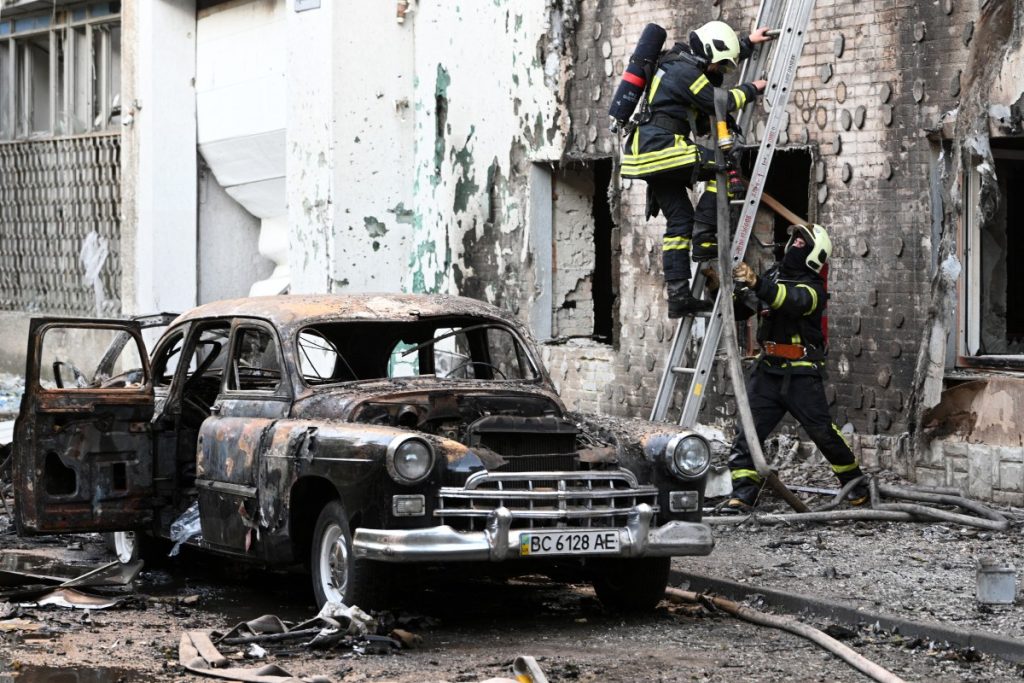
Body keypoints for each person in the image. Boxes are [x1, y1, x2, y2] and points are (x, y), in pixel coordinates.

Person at [621, 21, 773, 318]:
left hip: (645, 154)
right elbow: (721, 100)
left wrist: (747, 43)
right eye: (720, 65)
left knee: (679, 222)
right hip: (661, 149)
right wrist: (752, 89)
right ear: (709, 52)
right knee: (724, 165)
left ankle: (678, 297)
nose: (719, 71)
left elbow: (712, 69)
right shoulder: (685, 72)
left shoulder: (680, 65)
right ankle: (705, 237)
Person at [726, 224, 868, 508]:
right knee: (748, 431)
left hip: (801, 372)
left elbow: (790, 301)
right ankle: (743, 493)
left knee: (821, 432)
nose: (795, 245)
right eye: (795, 240)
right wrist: (727, 288)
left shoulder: (813, 287)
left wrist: (758, 284)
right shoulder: (772, 275)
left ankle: (854, 484)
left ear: (815, 254)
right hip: (768, 370)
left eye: (803, 242)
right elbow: (747, 307)